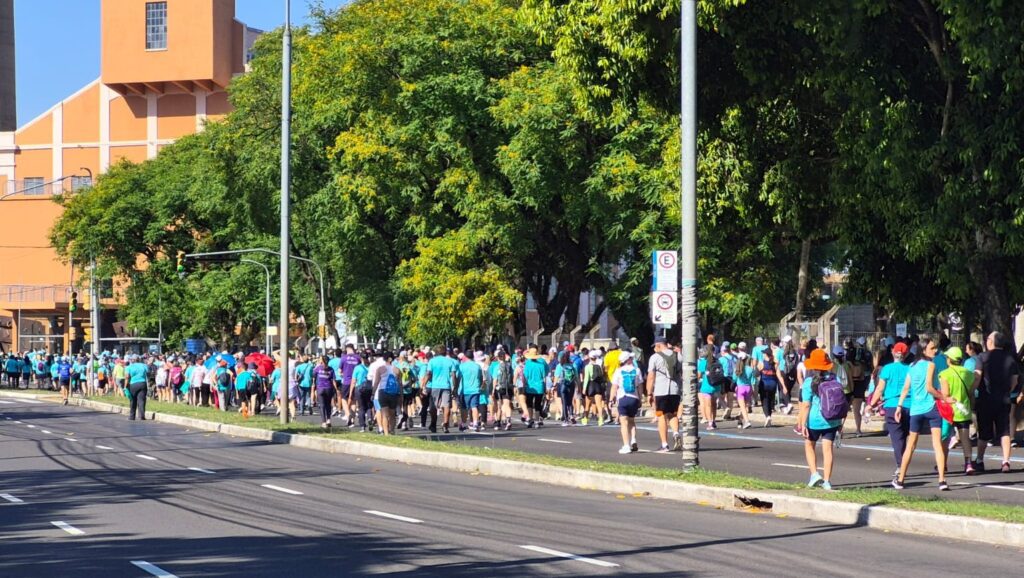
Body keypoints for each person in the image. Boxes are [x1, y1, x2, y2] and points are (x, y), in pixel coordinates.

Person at [893, 337, 948, 491]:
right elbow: (930, 388)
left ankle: (900, 480)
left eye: (935, 348)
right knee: (937, 445)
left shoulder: (912, 365)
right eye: (932, 348)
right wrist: (944, 398)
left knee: (910, 445)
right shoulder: (930, 364)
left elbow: (905, 388)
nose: (935, 351)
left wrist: (899, 406)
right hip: (931, 408)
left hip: (915, 410)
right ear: (923, 350)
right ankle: (942, 481)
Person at [973, 331, 1020, 473]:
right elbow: (1015, 381)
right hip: (1003, 399)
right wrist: (1007, 391)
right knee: (1004, 431)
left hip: (985, 399)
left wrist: (971, 392)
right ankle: (1005, 461)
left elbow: (977, 377)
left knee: (983, 432)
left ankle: (980, 460)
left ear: (991, 342)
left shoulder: (982, 357)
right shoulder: (1010, 359)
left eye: (988, 339)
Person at [799, 349, 841, 490]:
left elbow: (806, 405)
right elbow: (841, 400)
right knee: (827, 450)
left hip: (814, 421)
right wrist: (841, 422)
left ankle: (814, 474)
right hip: (832, 420)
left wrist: (802, 424)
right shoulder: (835, 378)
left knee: (809, 445)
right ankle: (827, 481)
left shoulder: (808, 382)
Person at [870, 342, 912, 477]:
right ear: (906, 355)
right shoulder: (910, 368)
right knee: (905, 436)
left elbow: (880, 388)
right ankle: (904, 462)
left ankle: (901, 466)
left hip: (892, 405)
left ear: (893, 352)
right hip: (909, 405)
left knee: (897, 438)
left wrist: (871, 404)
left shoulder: (887, 369)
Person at [939, 346, 976, 474]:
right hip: (964, 410)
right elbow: (971, 392)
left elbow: (945, 394)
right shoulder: (968, 374)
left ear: (949, 360)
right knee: (965, 438)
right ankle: (969, 464)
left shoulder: (944, 374)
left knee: (945, 438)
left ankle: (942, 464)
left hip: (948, 411)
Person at [647, 337, 683, 451]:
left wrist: (649, 393)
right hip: (675, 390)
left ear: (658, 345)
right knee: (673, 414)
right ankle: (676, 433)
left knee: (661, 416)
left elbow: (651, 377)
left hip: (660, 391)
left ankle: (664, 444)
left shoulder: (654, 357)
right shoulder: (678, 355)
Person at [610, 351, 643, 454]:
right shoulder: (637, 370)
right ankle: (633, 439)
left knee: (624, 423)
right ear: (628, 360)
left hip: (623, 398)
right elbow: (640, 386)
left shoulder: (618, 371)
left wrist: (611, 399)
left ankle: (626, 445)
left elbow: (614, 386)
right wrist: (640, 398)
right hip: (634, 398)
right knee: (632, 421)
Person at [422, 346, 457, 433]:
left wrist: (423, 385)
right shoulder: (450, 361)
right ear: (445, 352)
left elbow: (428, 373)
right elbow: (453, 375)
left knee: (433, 406)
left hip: (435, 386)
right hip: (446, 385)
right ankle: (445, 424)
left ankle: (433, 423)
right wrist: (454, 386)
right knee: (446, 405)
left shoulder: (432, 361)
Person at [522, 345, 549, 428]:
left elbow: (525, 376)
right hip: (540, 386)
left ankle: (530, 419)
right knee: (538, 404)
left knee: (529, 404)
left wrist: (524, 385)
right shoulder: (541, 363)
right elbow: (545, 375)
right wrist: (545, 387)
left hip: (530, 387)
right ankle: (537, 421)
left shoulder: (528, 363)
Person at [758, 343, 784, 427]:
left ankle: (767, 416)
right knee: (771, 400)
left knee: (764, 401)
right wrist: (783, 386)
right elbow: (779, 376)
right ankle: (769, 416)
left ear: (766, 354)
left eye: (763, 353)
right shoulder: (775, 363)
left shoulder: (762, 363)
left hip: (764, 384)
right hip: (773, 384)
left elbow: (756, 374)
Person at [457, 352, 484, 431]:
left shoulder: (462, 366)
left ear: (465, 356)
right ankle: (475, 423)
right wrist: (481, 385)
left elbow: (458, 378)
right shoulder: (477, 366)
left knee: (464, 408)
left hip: (464, 390)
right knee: (474, 406)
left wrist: (455, 388)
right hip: (475, 389)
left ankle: (464, 423)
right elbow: (481, 377)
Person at [582, 350, 609, 426]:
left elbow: (586, 378)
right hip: (598, 386)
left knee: (587, 405)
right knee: (599, 405)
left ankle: (585, 419)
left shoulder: (587, 366)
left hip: (590, 385)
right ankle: (600, 420)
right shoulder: (599, 367)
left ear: (590, 358)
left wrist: (584, 388)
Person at [554, 351, 579, 427]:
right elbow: (577, 378)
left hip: (563, 385)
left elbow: (556, 378)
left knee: (564, 402)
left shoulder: (559, 366)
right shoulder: (573, 365)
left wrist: (554, 386)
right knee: (570, 401)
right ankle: (571, 415)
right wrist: (579, 386)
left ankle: (566, 419)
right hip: (571, 385)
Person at [733, 351, 755, 429]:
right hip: (748, 388)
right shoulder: (750, 369)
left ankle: (747, 421)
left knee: (742, 407)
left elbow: (734, 378)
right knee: (745, 406)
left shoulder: (737, 368)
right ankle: (740, 419)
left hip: (740, 388)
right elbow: (753, 380)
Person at [125, 354, 150, 421]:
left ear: (133, 360)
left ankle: (132, 416)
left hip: (133, 384)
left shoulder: (129, 367)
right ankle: (141, 416)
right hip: (143, 383)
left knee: (133, 400)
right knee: (141, 400)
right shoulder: (144, 365)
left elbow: (127, 377)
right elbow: (148, 374)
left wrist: (125, 386)